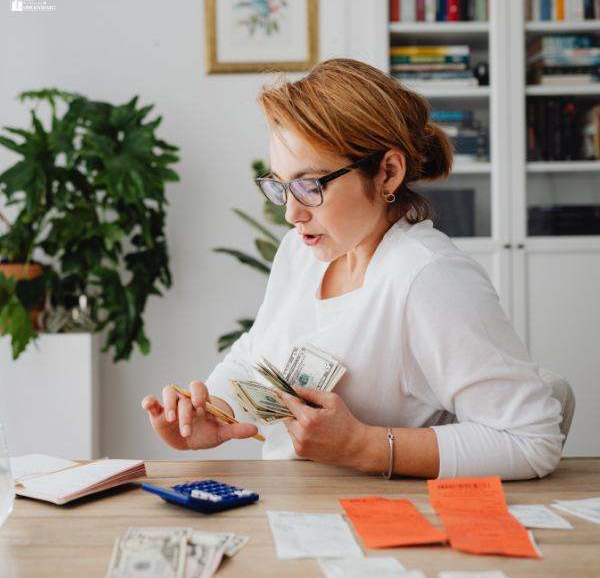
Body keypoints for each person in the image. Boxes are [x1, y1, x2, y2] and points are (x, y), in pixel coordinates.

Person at [142, 59, 563, 480]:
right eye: (280, 186)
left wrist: (363, 446)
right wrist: (214, 409)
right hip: (291, 509)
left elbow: (531, 441)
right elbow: (255, 353)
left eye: (310, 186)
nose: (291, 213)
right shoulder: (300, 252)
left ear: (388, 172)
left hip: (382, 526)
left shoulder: (430, 277)